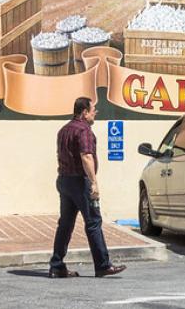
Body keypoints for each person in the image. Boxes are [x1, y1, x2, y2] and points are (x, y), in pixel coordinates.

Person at [49, 97, 125, 279]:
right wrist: (93, 182)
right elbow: (86, 156)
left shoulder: (64, 130)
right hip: (80, 182)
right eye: (93, 110)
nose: (95, 113)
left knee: (65, 224)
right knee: (93, 222)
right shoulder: (84, 130)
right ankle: (103, 265)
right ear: (84, 112)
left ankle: (56, 265)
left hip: (64, 181)